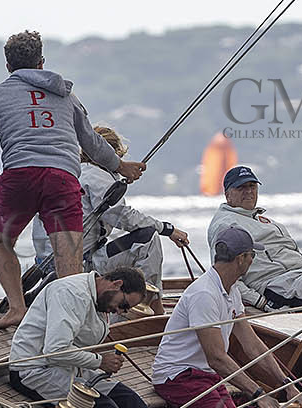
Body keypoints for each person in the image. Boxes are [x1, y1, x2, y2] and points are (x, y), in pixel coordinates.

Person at [0, 30, 146, 328]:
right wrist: (120, 166)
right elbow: (90, 141)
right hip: (62, 178)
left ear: (7, 66)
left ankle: (17, 308)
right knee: (69, 263)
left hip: (19, 177)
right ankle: (67, 325)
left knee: (1, 241)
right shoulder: (66, 96)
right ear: (41, 63)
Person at [151, 227, 302, 408]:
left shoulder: (232, 291)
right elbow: (217, 357)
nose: (253, 260)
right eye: (251, 256)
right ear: (241, 258)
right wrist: (257, 394)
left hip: (206, 376)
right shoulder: (204, 294)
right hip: (180, 377)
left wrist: (286, 384)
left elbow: (252, 345)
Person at [7, 266, 170, 408]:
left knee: (129, 399)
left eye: (125, 310)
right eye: (123, 305)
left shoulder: (99, 298)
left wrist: (97, 361)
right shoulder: (72, 294)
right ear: (116, 284)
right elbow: (56, 350)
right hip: (34, 370)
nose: (120, 312)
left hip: (72, 370)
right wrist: (100, 361)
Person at [29, 124, 190, 306]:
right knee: (147, 240)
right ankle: (149, 308)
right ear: (112, 154)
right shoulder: (96, 176)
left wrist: (115, 180)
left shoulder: (71, 172)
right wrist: (168, 229)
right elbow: (123, 217)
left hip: (47, 264)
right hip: (78, 264)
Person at [206, 165, 302, 308]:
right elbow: (224, 275)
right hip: (280, 283)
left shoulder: (264, 220)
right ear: (227, 195)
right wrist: (259, 301)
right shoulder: (226, 225)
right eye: (241, 187)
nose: (248, 191)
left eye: (252, 186)